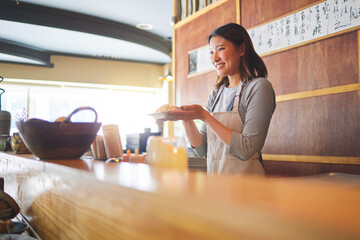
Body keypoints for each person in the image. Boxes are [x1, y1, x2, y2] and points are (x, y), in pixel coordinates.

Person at [166, 23, 276, 175]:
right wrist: (186, 118)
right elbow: (202, 149)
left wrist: (205, 116)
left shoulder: (259, 88)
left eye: (221, 49)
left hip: (248, 189)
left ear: (242, 49)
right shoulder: (216, 94)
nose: (214, 58)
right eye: (211, 52)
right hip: (217, 186)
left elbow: (247, 149)